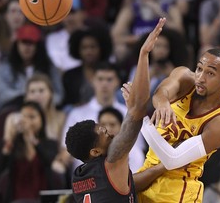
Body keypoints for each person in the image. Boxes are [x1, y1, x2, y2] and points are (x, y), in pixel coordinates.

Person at [64, 18, 166, 203]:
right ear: (95, 151)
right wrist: (143, 55)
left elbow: (127, 183)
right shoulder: (113, 159)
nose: (110, 132)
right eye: (103, 132)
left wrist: (160, 168)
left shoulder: (79, 177)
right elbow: (139, 107)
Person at [132, 48, 220, 202]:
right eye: (199, 68)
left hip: (179, 193)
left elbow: (172, 159)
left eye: (210, 73)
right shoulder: (185, 78)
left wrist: (140, 117)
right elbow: (161, 93)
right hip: (146, 177)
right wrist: (162, 103)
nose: (200, 78)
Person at [0, 101, 60, 203]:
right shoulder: (13, 144)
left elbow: (49, 161)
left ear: (41, 119)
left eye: (32, 117)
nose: (27, 121)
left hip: (42, 198)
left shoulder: (49, 144)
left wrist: (32, 138)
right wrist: (10, 138)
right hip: (15, 199)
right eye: (23, 117)